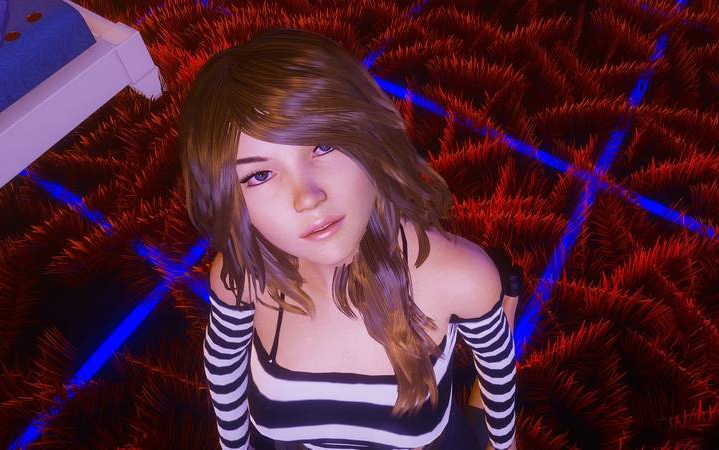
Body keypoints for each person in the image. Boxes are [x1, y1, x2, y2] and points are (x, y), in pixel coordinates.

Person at [178, 27, 517, 450]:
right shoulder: (242, 276)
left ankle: (506, 306)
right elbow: (222, 370)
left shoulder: (463, 277)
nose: (307, 198)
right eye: (260, 174)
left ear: (369, 135)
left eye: (322, 145)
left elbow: (499, 373)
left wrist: (504, 445)